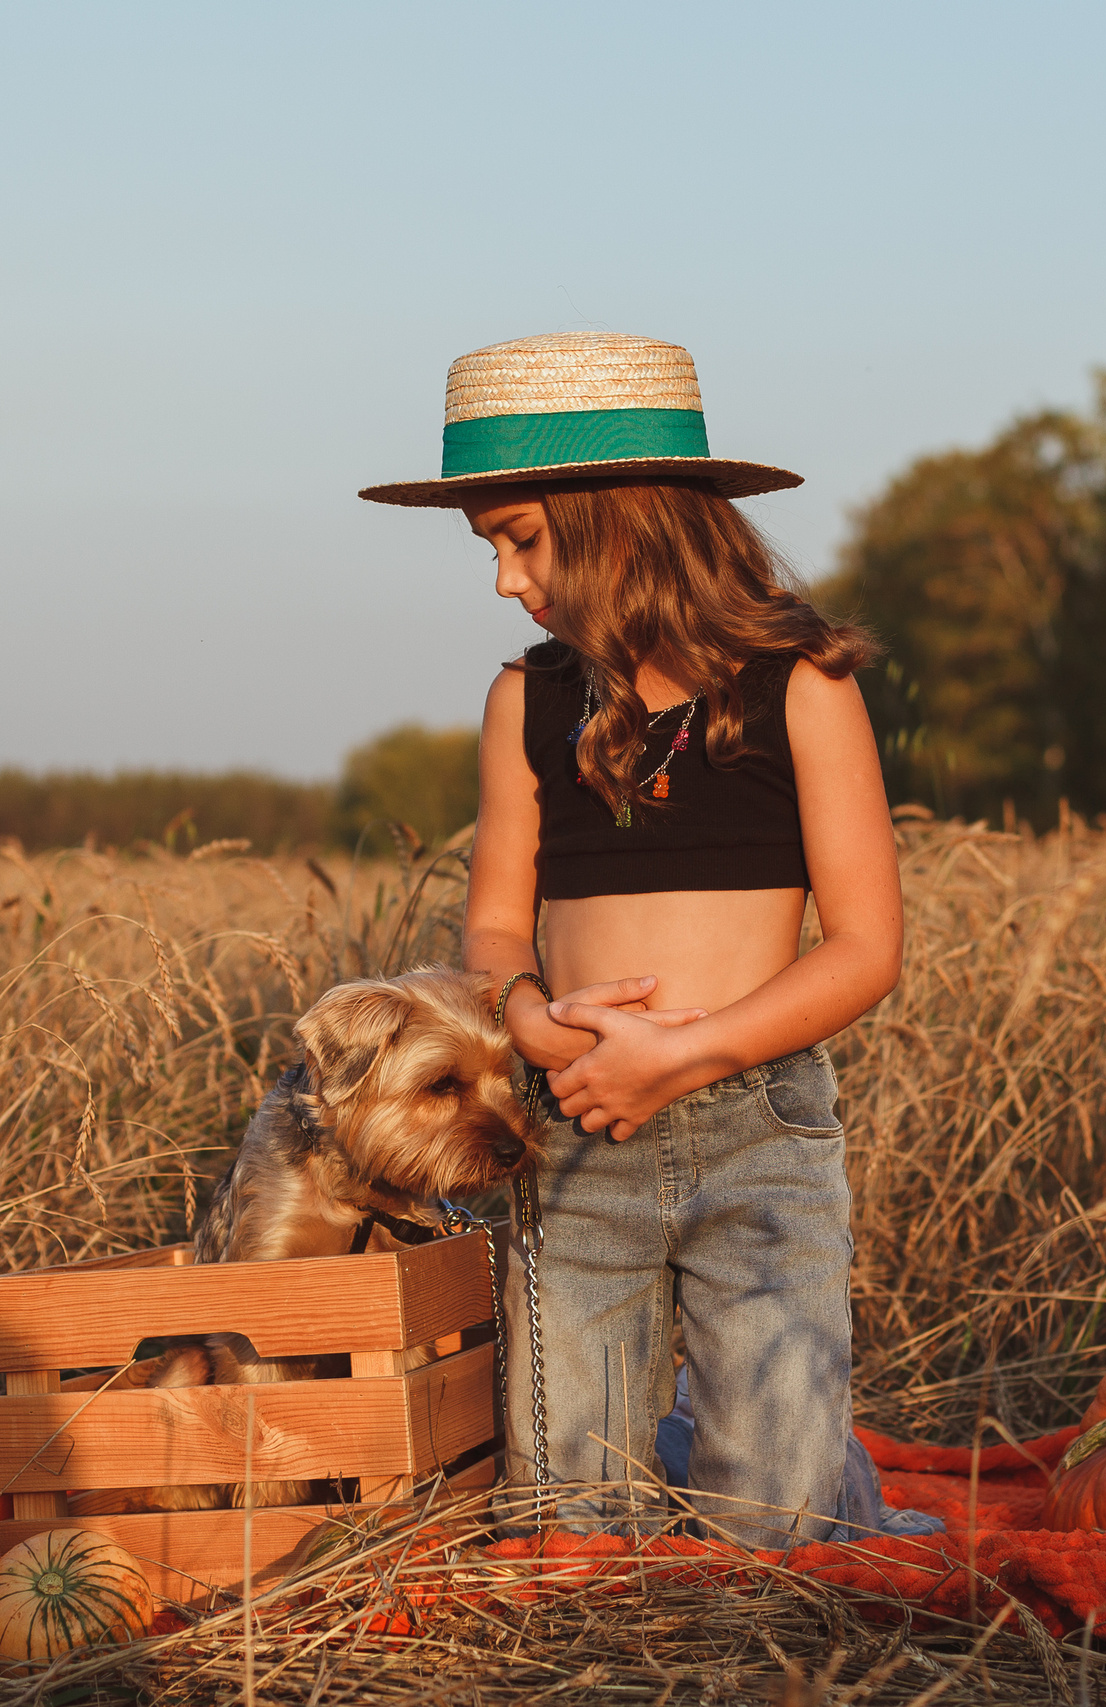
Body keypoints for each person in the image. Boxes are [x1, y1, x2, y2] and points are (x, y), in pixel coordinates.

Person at [359, 331, 910, 1549]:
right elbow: (494, 923)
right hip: (573, 1129)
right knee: (569, 1516)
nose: (503, 579)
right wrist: (527, 1019)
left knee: (770, 1529)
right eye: (490, 548)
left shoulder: (802, 687)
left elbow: (865, 947)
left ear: (624, 523)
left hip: (756, 1129)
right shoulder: (527, 700)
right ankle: (691, 1463)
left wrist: (690, 1052)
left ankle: (793, 1469)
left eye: (520, 540)